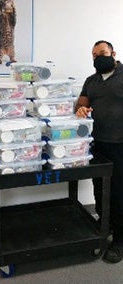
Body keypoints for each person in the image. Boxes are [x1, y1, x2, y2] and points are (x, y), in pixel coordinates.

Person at [75, 40, 123, 264]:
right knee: (100, 188)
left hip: (120, 145)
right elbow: (80, 105)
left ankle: (120, 240)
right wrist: (81, 109)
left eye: (102, 53)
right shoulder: (91, 81)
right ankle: (104, 228)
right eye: (94, 55)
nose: (98, 58)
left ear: (113, 53)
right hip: (96, 144)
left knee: (119, 192)